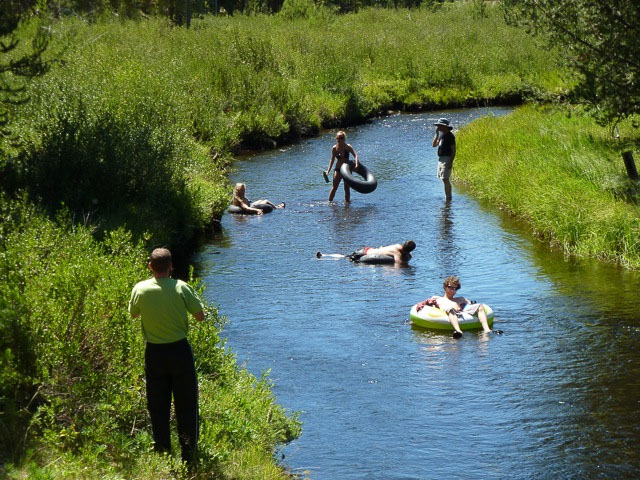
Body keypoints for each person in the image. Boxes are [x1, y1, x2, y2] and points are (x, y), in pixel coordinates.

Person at [128, 248, 205, 463]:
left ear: (150, 266)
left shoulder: (140, 289)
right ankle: (189, 456)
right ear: (171, 266)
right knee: (187, 405)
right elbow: (200, 317)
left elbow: (133, 314)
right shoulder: (181, 287)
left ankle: (163, 454)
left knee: (157, 405)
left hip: (154, 353)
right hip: (180, 351)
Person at [416, 275, 501, 338]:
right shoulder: (437, 298)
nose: (453, 290)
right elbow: (425, 304)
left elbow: (472, 305)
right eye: (450, 287)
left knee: (480, 306)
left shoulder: (461, 299)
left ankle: (486, 330)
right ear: (445, 287)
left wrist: (495, 319)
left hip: (461, 312)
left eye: (455, 288)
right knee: (451, 309)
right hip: (448, 312)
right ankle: (458, 331)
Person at [324, 130, 359, 203]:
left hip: (347, 170)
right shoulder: (334, 148)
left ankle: (347, 204)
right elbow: (332, 160)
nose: (340, 140)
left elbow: (355, 155)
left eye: (341, 138)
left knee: (346, 188)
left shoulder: (348, 147)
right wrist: (328, 171)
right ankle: (330, 203)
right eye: (338, 138)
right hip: (338, 169)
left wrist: (356, 164)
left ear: (344, 138)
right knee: (334, 187)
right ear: (336, 138)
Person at [316, 240, 416, 265]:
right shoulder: (397, 253)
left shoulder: (397, 245)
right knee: (345, 258)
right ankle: (325, 256)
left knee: (344, 256)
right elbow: (398, 263)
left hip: (367, 249)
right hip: (365, 255)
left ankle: (324, 255)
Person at [431, 118, 456, 201]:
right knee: (443, 179)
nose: (438, 127)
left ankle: (448, 198)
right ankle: (447, 198)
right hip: (441, 159)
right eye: (438, 126)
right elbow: (434, 145)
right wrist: (437, 134)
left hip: (447, 159)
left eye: (440, 126)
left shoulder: (450, 136)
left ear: (445, 126)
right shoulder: (442, 135)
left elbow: (453, 150)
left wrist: (450, 162)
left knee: (445, 179)